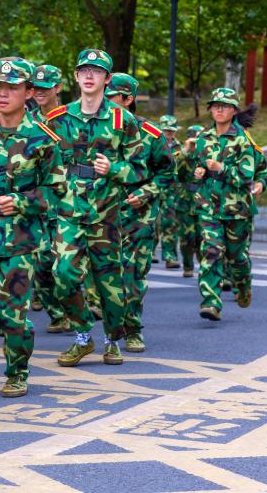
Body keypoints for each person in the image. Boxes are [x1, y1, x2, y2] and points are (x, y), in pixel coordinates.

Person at [0, 57, 64, 397]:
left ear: (29, 92)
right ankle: (18, 332)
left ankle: (16, 372)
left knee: (13, 311)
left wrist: (22, 201)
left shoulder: (43, 139)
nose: (2, 94)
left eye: (12, 88)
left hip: (22, 239)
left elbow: (56, 190)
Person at [43, 49, 146, 368]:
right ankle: (82, 335)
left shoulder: (122, 120)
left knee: (110, 284)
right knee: (63, 274)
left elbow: (139, 169)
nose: (90, 76)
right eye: (84, 70)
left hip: (106, 214)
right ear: (76, 76)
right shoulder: (57, 119)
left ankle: (112, 339)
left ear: (107, 79)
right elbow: (41, 163)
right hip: (69, 212)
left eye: (97, 71)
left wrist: (114, 169)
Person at [104, 73, 174, 354]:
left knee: (132, 275)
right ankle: (103, 329)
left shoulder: (151, 134)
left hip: (138, 216)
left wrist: (145, 193)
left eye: (111, 97)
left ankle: (132, 329)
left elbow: (167, 173)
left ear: (128, 99)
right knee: (101, 275)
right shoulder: (93, 129)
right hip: (99, 213)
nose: (106, 102)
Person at [187, 88, 260, 321]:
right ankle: (211, 303)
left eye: (225, 106)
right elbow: (197, 166)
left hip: (236, 209)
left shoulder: (243, 139)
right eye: (216, 105)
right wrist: (198, 172)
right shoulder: (203, 138)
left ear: (234, 111)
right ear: (210, 109)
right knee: (211, 252)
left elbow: (246, 177)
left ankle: (243, 285)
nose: (220, 109)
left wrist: (222, 168)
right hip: (209, 207)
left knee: (237, 258)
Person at [27, 64, 69, 334]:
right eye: (36, 88)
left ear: (58, 88)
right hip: (37, 202)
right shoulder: (27, 119)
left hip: (67, 201)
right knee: (41, 263)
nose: (40, 92)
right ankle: (58, 313)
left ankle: (78, 309)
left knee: (66, 265)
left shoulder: (70, 119)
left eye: (45, 87)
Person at [156, 115, 183, 269]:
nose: (169, 133)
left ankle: (170, 257)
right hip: (154, 188)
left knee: (170, 224)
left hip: (171, 190)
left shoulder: (180, 147)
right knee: (152, 223)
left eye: (171, 131)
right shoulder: (153, 143)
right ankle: (149, 253)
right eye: (166, 130)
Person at [179, 124, 204, 278]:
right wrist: (186, 151)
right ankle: (188, 266)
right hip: (185, 202)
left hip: (203, 201)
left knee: (203, 237)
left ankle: (205, 267)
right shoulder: (181, 155)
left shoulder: (206, 154)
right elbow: (176, 172)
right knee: (187, 237)